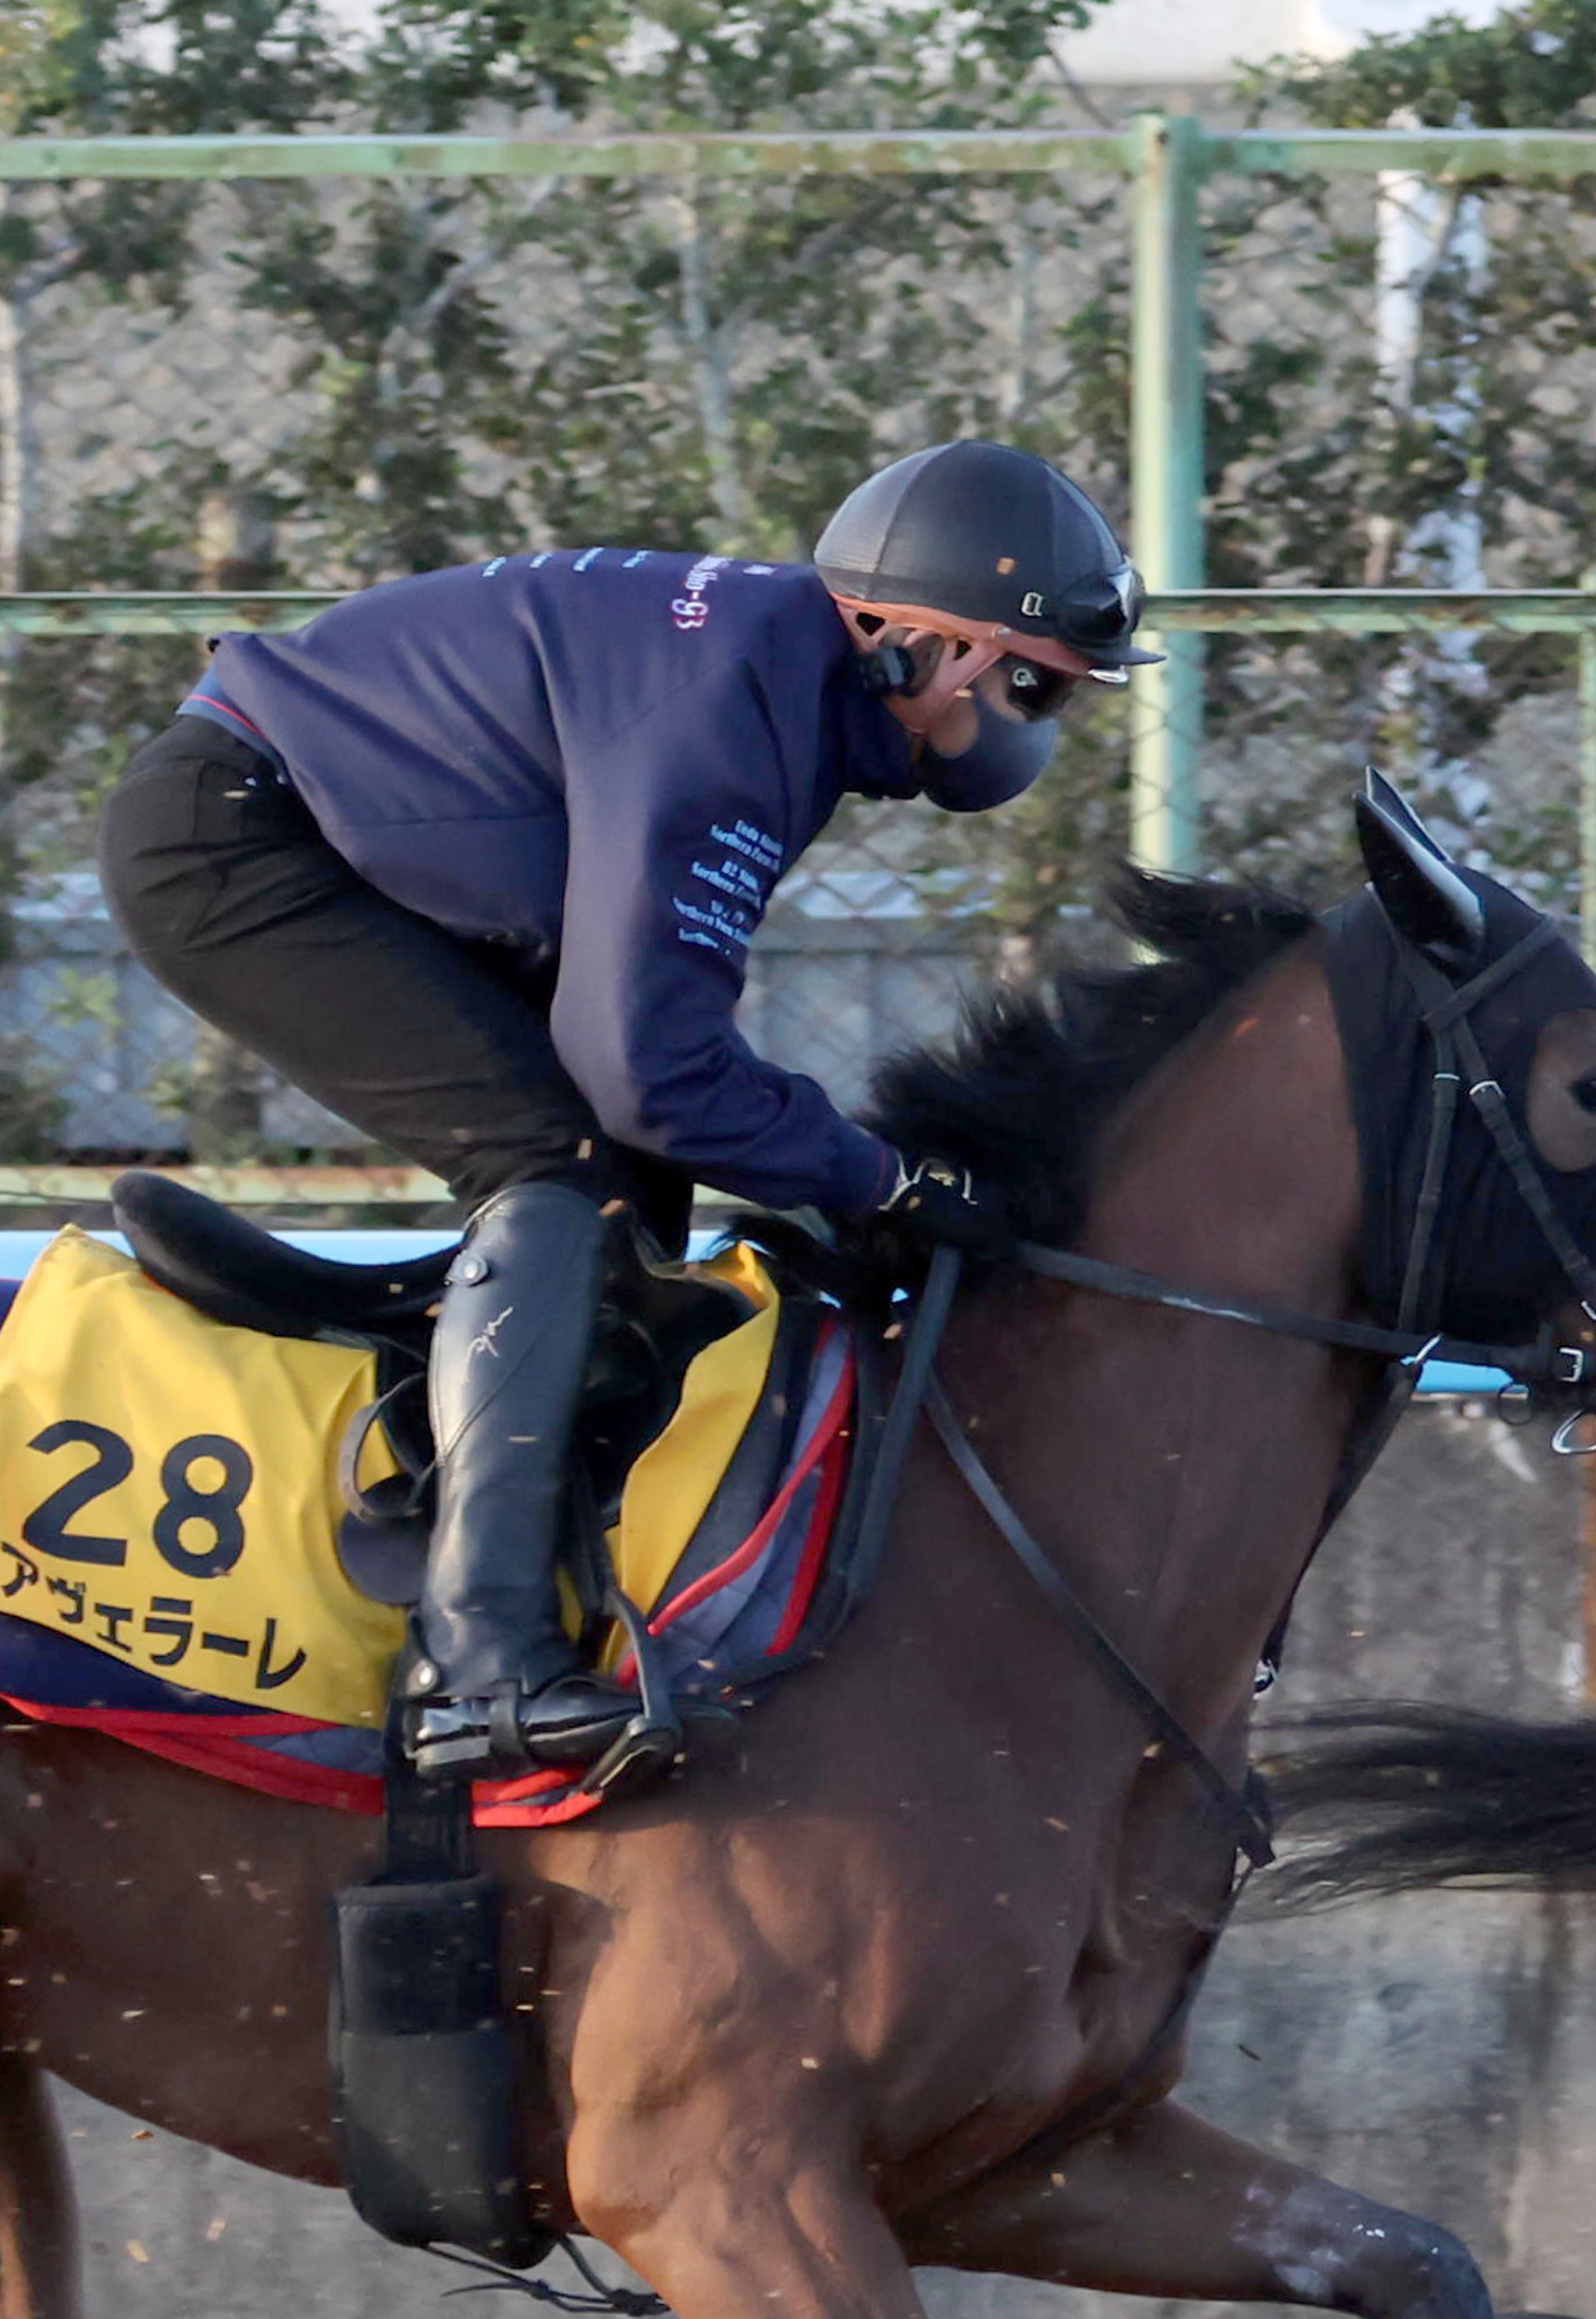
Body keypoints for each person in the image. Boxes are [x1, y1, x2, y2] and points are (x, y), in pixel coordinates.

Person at [97, 439, 1145, 1778]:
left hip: (309, 823)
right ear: (921, 643)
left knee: (624, 1188)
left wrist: (833, 1169)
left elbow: (654, 1059)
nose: (1036, 721)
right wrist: (875, 1179)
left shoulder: (784, 679)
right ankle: (476, 1666)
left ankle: (528, 1556)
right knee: (556, 1161)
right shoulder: (744, 698)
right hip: (236, 840)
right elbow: (647, 1064)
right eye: (1034, 685)